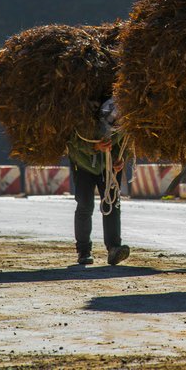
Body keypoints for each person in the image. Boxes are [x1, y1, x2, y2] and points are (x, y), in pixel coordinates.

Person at [66, 97, 131, 266]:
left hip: (108, 167)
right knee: (85, 205)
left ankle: (114, 248)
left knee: (112, 204)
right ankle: (83, 251)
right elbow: (72, 140)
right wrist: (95, 147)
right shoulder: (83, 119)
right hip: (83, 164)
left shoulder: (122, 122)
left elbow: (124, 143)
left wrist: (119, 159)